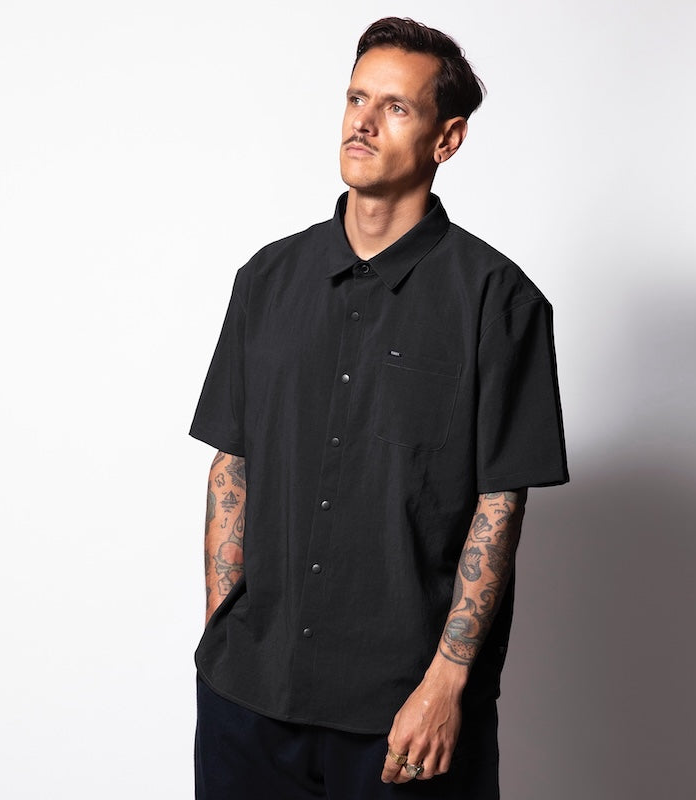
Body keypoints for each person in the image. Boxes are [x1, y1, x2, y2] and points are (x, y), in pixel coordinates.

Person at [189, 16, 568, 800]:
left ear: (447, 139)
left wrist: (445, 686)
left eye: (395, 107)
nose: (362, 121)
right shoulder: (266, 280)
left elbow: (500, 505)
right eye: (357, 97)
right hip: (249, 704)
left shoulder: (499, 302)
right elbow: (233, 464)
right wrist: (225, 637)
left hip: (403, 718)